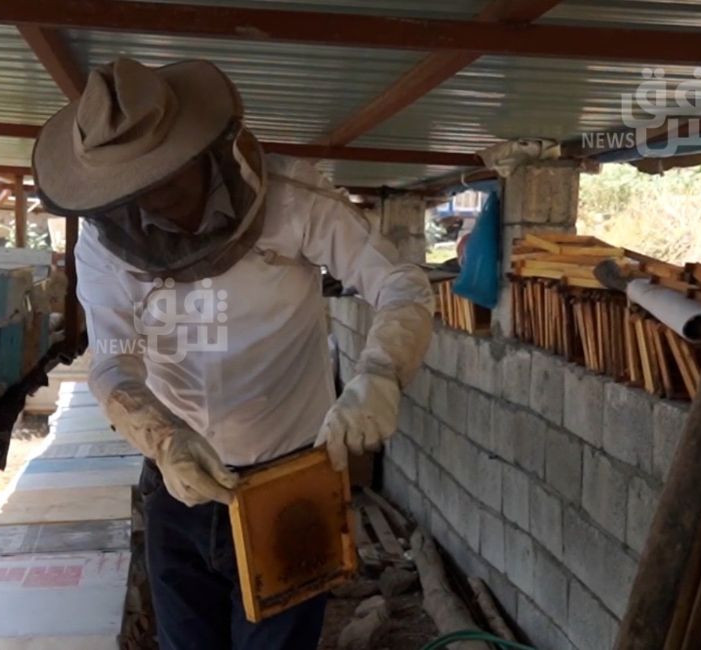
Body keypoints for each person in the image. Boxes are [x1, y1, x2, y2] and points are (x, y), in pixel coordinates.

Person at [32, 58, 434, 650]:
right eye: (129, 194)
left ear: (203, 151)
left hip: (292, 479)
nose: (153, 207)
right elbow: (114, 359)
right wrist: (164, 440)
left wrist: (380, 372)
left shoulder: (295, 201)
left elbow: (401, 284)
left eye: (163, 182)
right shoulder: (104, 242)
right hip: (179, 487)